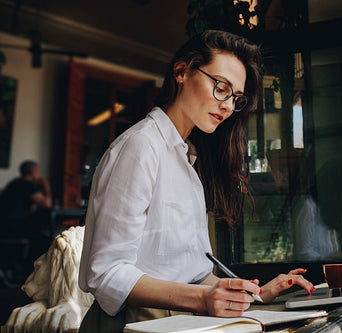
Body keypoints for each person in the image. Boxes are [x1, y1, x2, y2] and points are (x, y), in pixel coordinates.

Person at [78, 30, 315, 332]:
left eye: (236, 98)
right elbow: (107, 273)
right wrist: (203, 298)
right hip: (137, 323)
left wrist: (254, 295)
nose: (228, 105)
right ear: (181, 72)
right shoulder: (140, 147)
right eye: (221, 87)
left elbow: (190, 274)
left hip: (182, 320)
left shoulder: (187, 160)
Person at [0, 160, 52, 237]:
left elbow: (32, 209)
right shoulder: (27, 185)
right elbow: (47, 204)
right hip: (14, 226)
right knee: (46, 239)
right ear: (33, 172)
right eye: (38, 172)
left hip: (6, 225)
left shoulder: (15, 183)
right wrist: (46, 186)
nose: (40, 175)